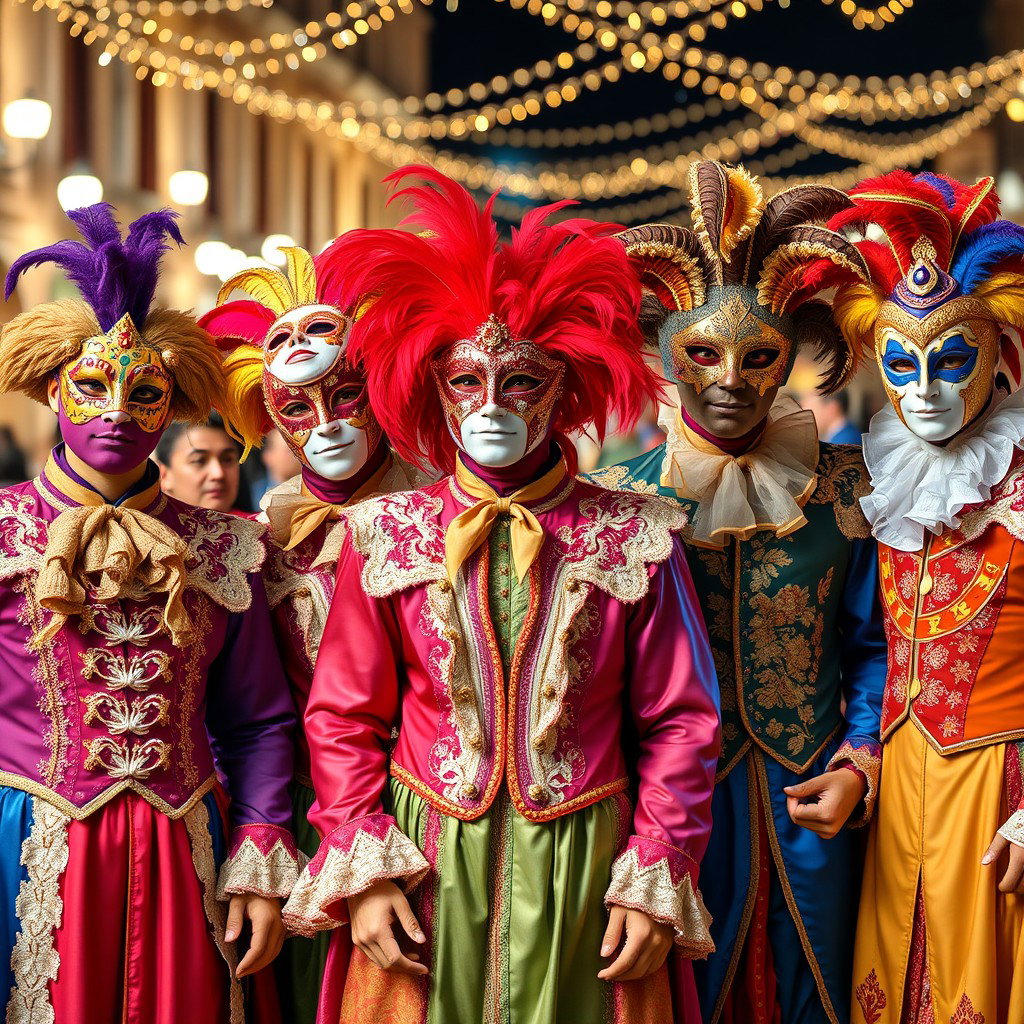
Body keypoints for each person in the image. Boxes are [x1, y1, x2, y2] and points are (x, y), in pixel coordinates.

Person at [280, 166, 722, 1024]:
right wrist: (362, 870)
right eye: (464, 382)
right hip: (421, 868)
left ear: (565, 388)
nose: (490, 406)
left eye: (518, 381)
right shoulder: (388, 532)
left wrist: (655, 868)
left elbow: (681, 720)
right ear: (430, 387)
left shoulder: (634, 535)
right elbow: (341, 717)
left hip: (586, 873)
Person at [591, 161, 887, 1024]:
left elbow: (875, 644)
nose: (727, 380)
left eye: (757, 357)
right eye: (701, 353)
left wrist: (861, 766)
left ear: (791, 352)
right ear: (663, 350)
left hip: (815, 801)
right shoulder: (620, 499)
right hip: (672, 811)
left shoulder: (846, 490)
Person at [0, 203, 298, 1024]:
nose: (116, 413)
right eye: (91, 388)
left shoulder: (224, 547)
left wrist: (261, 846)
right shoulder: (3, 533)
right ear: (53, 389)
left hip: (184, 853)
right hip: (26, 850)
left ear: (170, 408)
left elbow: (260, 720)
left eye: (144, 393)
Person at [200, 242, 432, 1024]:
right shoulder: (255, 544)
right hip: (302, 817)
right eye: (298, 408)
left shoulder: (447, 520)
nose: (327, 425)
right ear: (270, 420)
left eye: (348, 396)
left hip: (432, 807)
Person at [818, 170, 1024, 1024]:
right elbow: (873, 648)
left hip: (1002, 790)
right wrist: (861, 763)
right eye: (903, 364)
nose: (927, 391)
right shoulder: (878, 481)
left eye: (953, 361)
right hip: (898, 789)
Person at [155, 412, 245, 512]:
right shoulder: (143, 527)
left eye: (227, 459)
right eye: (199, 460)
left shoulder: (260, 525)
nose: (218, 474)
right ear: (164, 475)